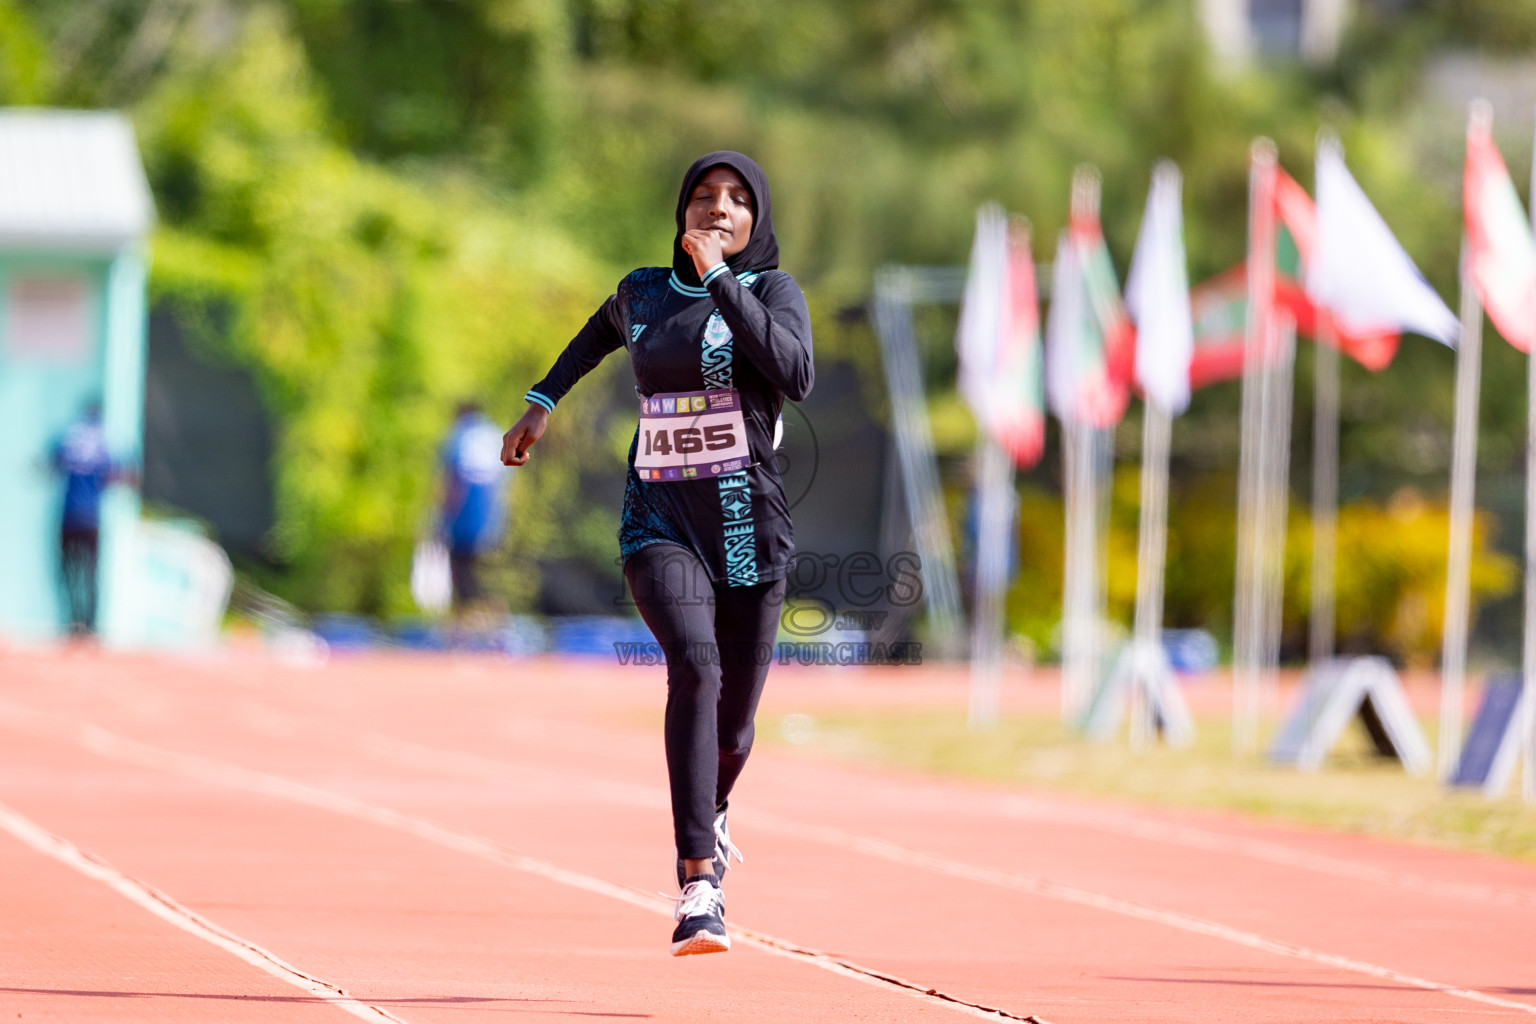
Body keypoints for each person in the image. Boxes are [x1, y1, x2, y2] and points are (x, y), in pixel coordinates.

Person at [501, 152, 813, 956]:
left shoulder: (773, 293)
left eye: (737, 201)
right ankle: (699, 884)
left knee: (736, 730)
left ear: (756, 222)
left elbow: (795, 373)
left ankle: (713, 807)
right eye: (704, 197)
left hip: (749, 532)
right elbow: (596, 335)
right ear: (681, 210)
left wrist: (720, 282)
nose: (718, 209)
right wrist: (542, 401)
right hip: (659, 519)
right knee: (695, 665)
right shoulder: (642, 291)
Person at [49, 402, 123, 637]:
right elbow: (118, 475)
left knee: (68, 572)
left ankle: (72, 622)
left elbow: (51, 466)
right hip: (92, 518)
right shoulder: (107, 441)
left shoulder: (68, 437)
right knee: (91, 573)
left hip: (68, 516)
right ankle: (89, 625)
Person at [439, 401, 511, 614]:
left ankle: (470, 616)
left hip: (464, 515)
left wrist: (443, 518)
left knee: (461, 569)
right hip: (491, 517)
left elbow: (453, 482)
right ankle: (488, 615)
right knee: (480, 570)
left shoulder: (459, 436)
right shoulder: (495, 436)